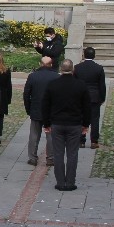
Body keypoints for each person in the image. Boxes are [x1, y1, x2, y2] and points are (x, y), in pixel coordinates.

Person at [42, 59, 91, 191]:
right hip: (75, 123)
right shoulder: (80, 85)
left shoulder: (53, 84)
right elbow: (87, 106)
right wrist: (86, 124)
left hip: (57, 123)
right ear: (73, 69)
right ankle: (70, 182)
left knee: (58, 154)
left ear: (61, 69)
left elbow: (46, 105)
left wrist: (46, 123)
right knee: (72, 154)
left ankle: (60, 182)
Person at [24, 56, 60, 166]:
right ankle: (51, 158)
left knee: (34, 134)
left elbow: (26, 94)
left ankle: (32, 157)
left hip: (36, 109)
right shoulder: (56, 77)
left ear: (40, 64)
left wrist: (28, 109)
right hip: (51, 110)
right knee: (51, 135)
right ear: (51, 64)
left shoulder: (33, 76)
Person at [74, 47, 107, 149]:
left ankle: (81, 140)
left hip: (81, 96)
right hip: (94, 97)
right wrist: (102, 98)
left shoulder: (78, 67)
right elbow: (102, 85)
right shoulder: (99, 68)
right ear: (94, 55)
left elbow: (74, 83)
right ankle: (94, 141)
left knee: (81, 118)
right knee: (95, 119)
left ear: (84, 55)